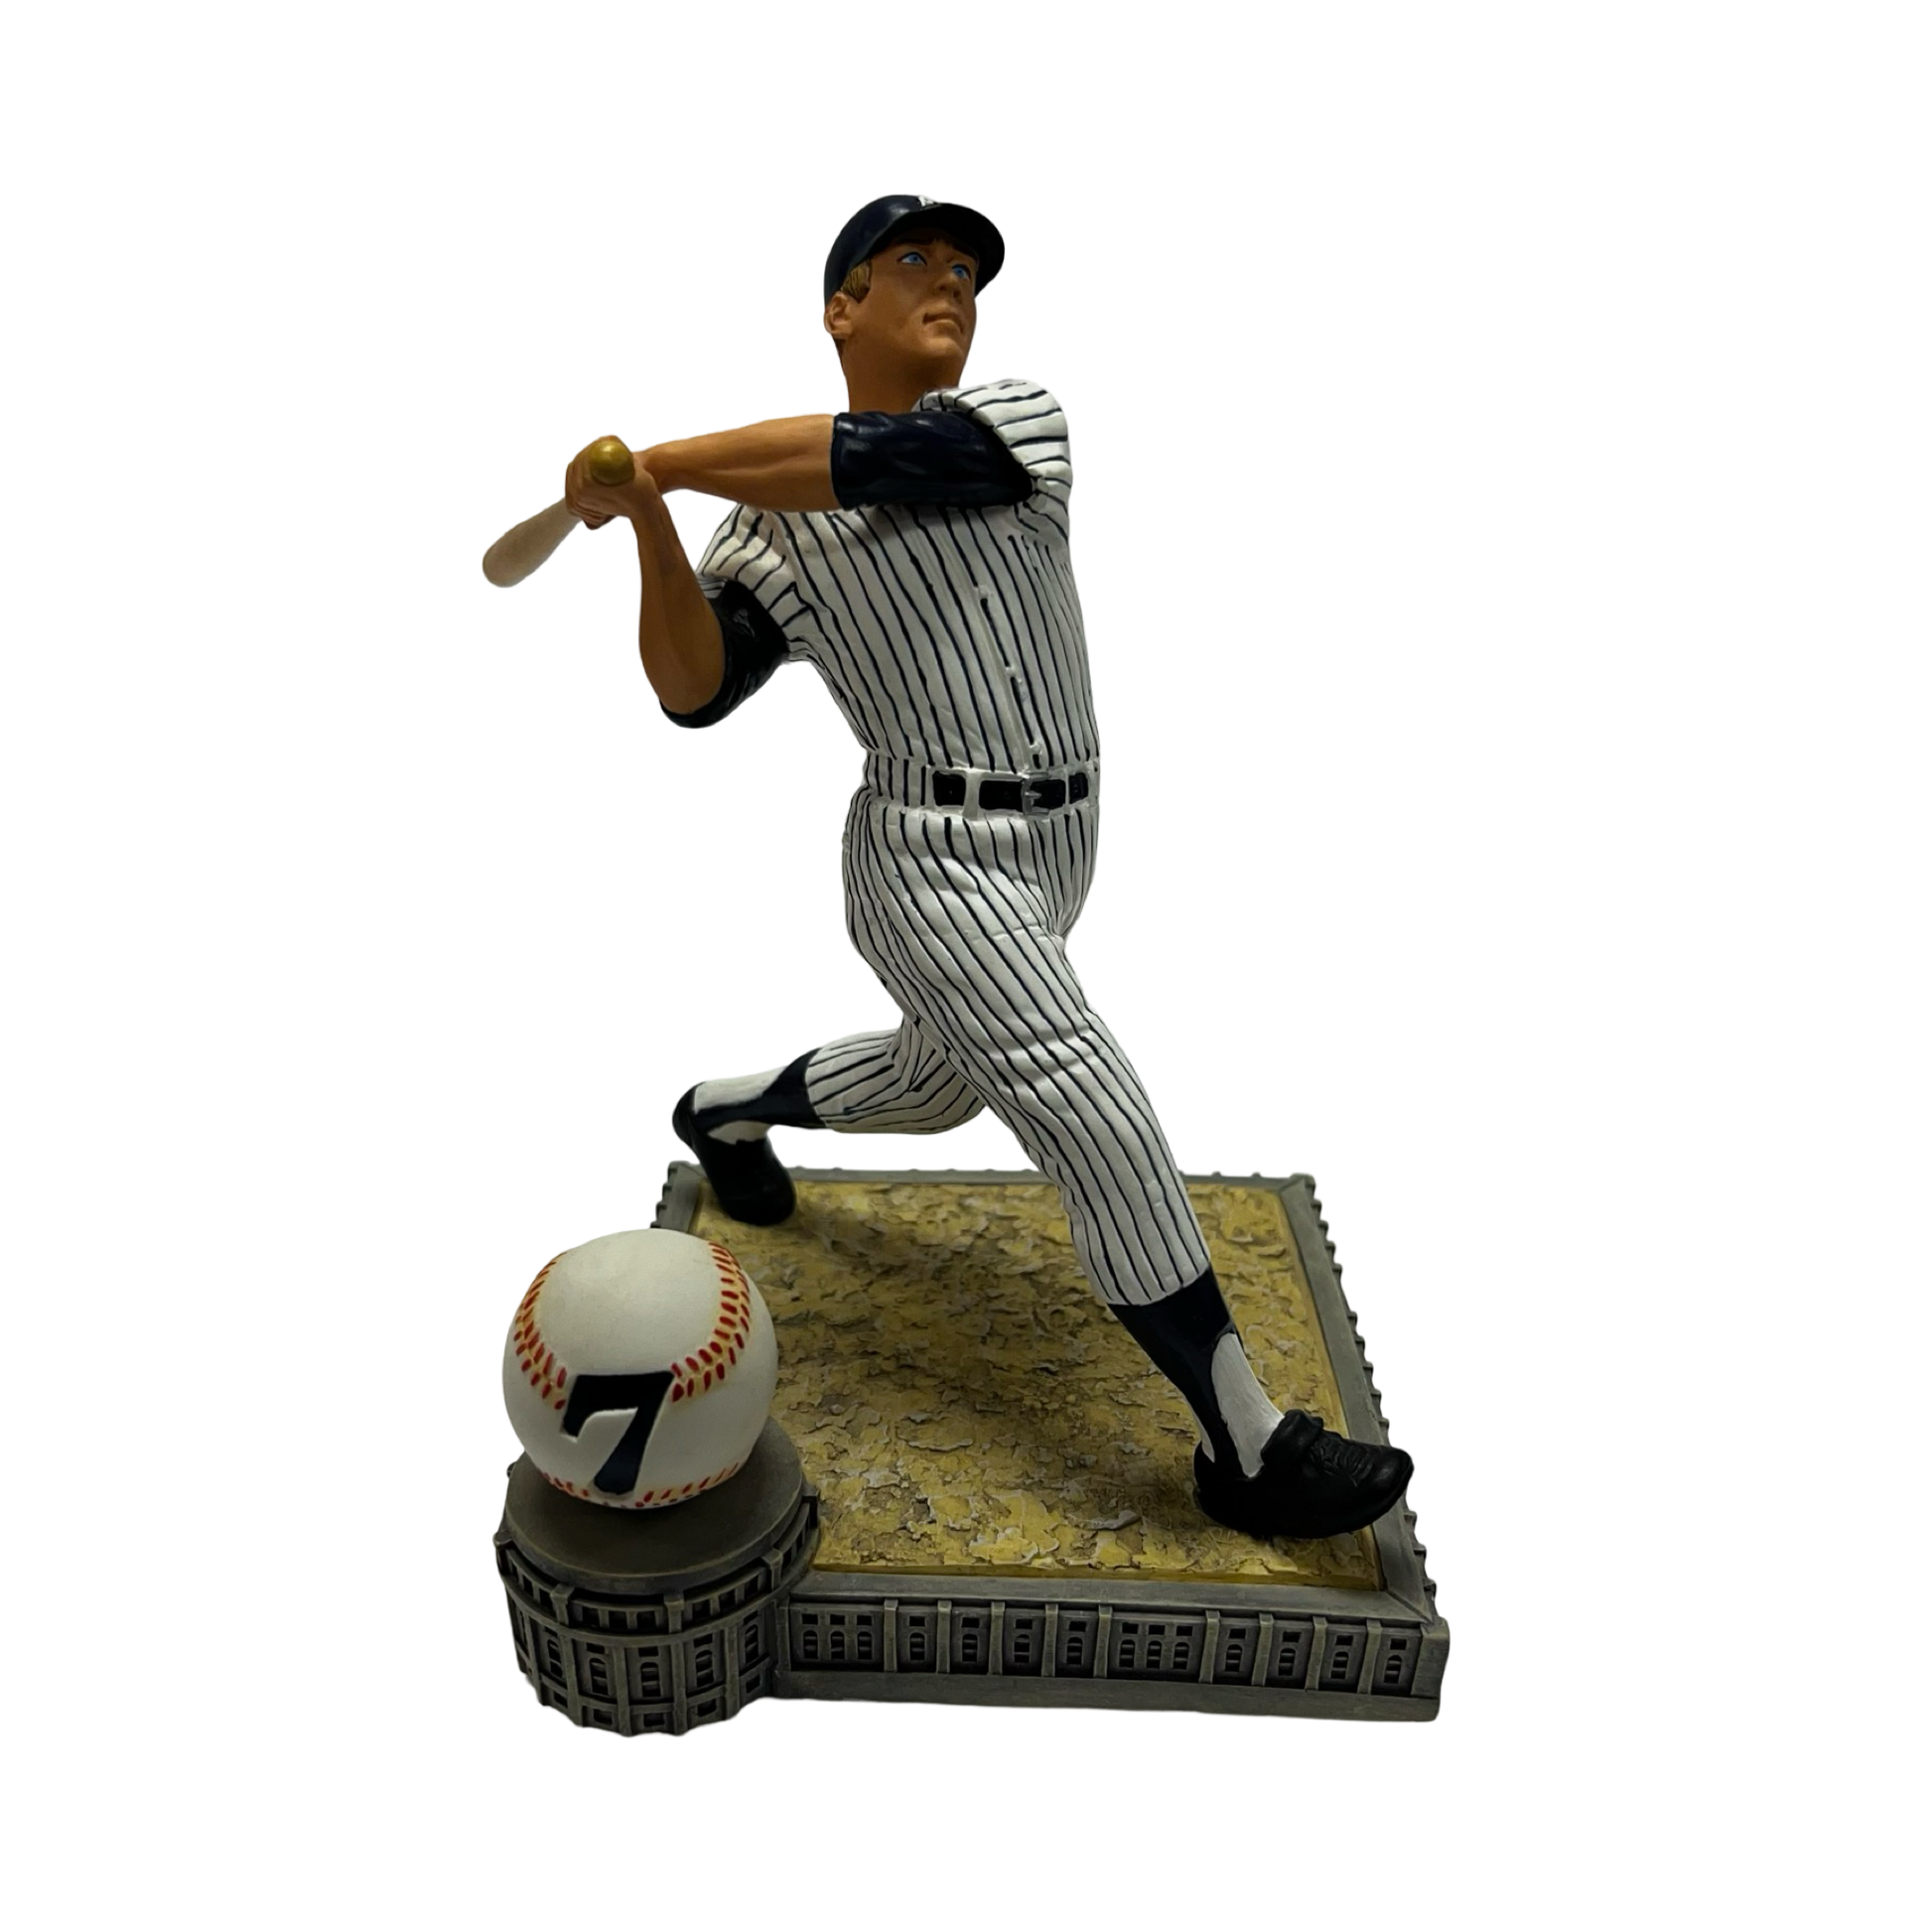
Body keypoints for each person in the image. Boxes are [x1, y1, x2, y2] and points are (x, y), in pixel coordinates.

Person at [561, 195, 1413, 1540]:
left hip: (1063, 838)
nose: (950, 282)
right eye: (912, 261)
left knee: (932, 1086)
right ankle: (1248, 1445)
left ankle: (721, 1112)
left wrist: (658, 463)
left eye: (964, 267)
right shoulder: (761, 531)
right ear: (841, 307)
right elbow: (693, 689)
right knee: (1087, 1101)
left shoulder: (1015, 423)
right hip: (927, 855)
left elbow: (872, 460)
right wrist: (650, 525)